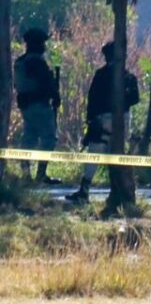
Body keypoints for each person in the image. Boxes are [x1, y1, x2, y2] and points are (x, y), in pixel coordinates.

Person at [65, 42, 140, 204]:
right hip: (123, 121)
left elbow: (92, 99)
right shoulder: (129, 77)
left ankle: (84, 191)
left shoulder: (100, 75)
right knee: (117, 157)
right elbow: (135, 99)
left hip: (101, 121)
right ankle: (121, 191)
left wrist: (90, 121)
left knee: (94, 156)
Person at [14, 28, 62, 184]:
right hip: (40, 105)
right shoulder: (36, 62)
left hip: (26, 106)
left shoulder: (20, 61)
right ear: (36, 43)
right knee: (49, 138)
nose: (44, 46)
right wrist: (55, 95)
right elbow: (45, 84)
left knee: (29, 138)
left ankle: (26, 174)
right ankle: (41, 174)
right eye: (42, 42)